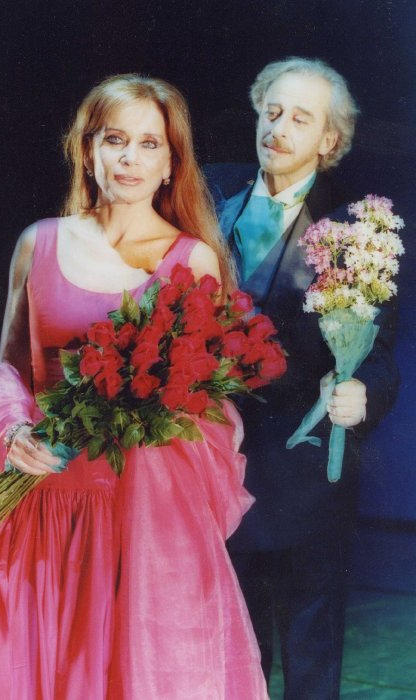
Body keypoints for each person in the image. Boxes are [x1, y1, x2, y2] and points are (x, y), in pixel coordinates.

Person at [0, 74, 268, 699]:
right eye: (115, 139)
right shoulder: (39, 242)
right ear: (87, 149)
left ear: (171, 164)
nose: (130, 158)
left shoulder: (193, 259)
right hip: (44, 502)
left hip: (143, 521)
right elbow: (10, 367)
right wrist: (13, 431)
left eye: (149, 144)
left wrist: (143, 404)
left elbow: (207, 407)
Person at [205, 57, 399, 699]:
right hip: (210, 463)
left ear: (329, 139)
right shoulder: (208, 192)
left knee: (310, 651)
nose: (279, 128)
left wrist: (362, 393)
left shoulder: (356, 231)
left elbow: (378, 354)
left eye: (300, 118)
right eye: (272, 111)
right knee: (229, 652)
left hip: (305, 474)